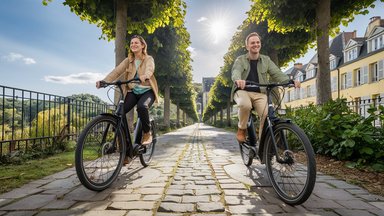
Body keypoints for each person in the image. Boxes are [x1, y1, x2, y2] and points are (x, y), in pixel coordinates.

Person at [231, 32, 300, 142]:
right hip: (242, 91)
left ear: (260, 44)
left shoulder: (266, 60)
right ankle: (242, 129)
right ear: (247, 46)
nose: (256, 44)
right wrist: (238, 80)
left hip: (260, 93)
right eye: (252, 42)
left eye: (258, 42)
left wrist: (290, 81)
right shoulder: (240, 60)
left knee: (267, 114)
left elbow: (277, 73)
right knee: (245, 105)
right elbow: (236, 71)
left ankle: (263, 143)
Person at [96, 35, 159, 145]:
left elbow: (150, 68)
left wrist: (146, 75)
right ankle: (124, 148)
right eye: (131, 43)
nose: (133, 45)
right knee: (119, 113)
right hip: (133, 91)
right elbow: (116, 72)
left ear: (142, 45)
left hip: (147, 91)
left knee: (142, 107)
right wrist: (104, 81)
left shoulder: (148, 59)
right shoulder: (128, 60)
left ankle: (147, 133)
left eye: (136, 43)